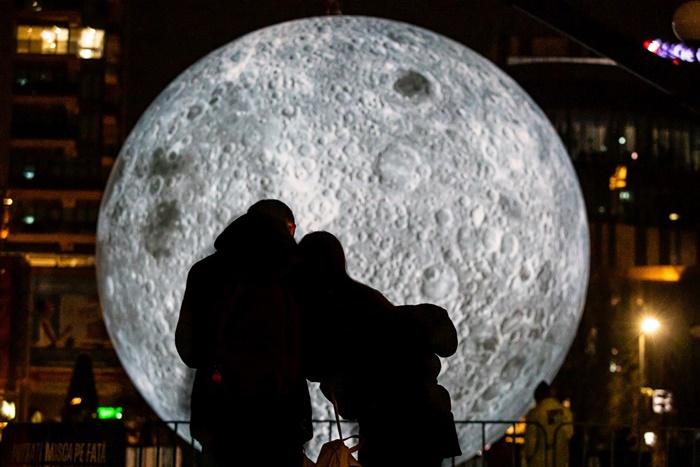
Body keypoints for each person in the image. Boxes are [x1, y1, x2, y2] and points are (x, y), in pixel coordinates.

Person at [294, 231, 462, 467]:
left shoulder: (332, 312)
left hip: (386, 427)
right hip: (428, 418)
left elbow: (320, 369)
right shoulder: (369, 298)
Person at [175, 199, 312, 467]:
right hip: (282, 423)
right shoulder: (298, 273)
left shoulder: (205, 272)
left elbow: (189, 350)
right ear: (289, 229)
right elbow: (313, 351)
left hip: (219, 423)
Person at [523, 381, 574, 467]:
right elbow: (569, 433)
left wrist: (528, 456)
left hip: (539, 460)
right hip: (560, 458)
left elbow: (530, 440)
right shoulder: (565, 412)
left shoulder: (535, 413)